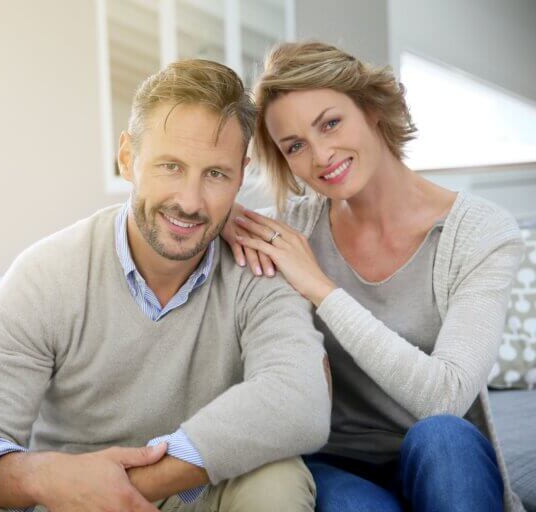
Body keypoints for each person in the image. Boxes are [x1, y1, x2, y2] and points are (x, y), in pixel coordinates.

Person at [0, 59, 331, 512]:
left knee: (278, 477)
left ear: (240, 174)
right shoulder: (47, 274)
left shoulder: (256, 266)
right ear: (126, 158)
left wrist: (135, 484)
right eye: (170, 166)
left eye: (215, 174)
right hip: (72, 502)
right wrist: (48, 478)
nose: (190, 202)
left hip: (197, 496)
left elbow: (304, 400)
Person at [222, 41, 526, 512]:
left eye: (330, 123)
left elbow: (445, 396)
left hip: (441, 456)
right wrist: (219, 215)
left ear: (372, 110)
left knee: (444, 437)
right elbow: (189, 215)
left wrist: (320, 289)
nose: (321, 155)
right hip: (334, 461)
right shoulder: (292, 230)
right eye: (296, 146)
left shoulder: (480, 233)